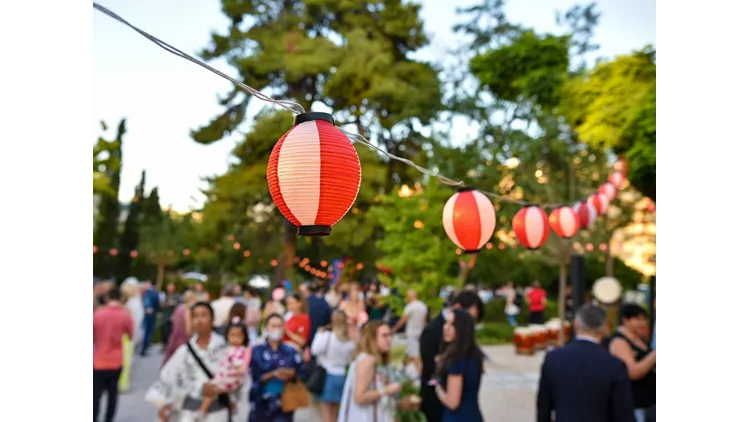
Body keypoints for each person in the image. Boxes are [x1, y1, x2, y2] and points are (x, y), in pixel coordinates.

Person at [537, 304, 635, 422]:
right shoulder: (614, 365)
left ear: (576, 324)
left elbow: (543, 408)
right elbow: (624, 414)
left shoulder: (553, 358)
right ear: (604, 327)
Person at [146, 302, 237, 422]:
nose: (199, 320)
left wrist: (224, 391)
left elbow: (238, 375)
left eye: (204, 315)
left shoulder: (224, 348)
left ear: (212, 319)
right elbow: (169, 376)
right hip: (189, 411)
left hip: (218, 410)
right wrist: (165, 405)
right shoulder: (184, 351)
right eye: (195, 316)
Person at [420, 290, 484, 422]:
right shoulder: (472, 354)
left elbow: (453, 402)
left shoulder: (458, 358)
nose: (446, 328)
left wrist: (437, 385)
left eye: (451, 325)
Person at [338, 321, 403, 422]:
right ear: (372, 339)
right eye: (384, 336)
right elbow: (359, 397)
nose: (389, 339)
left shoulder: (377, 361)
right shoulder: (368, 361)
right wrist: (387, 390)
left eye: (390, 335)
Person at [248, 313, 308, 422]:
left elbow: (302, 373)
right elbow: (253, 376)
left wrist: (291, 375)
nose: (276, 329)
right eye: (273, 326)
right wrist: (272, 375)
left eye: (279, 326)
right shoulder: (257, 350)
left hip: (285, 401)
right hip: (262, 402)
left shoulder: (291, 350)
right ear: (266, 328)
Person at [609, 304, 657, 422]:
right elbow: (633, 372)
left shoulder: (641, 339)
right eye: (638, 319)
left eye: (644, 319)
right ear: (625, 320)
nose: (643, 323)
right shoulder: (619, 341)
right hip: (634, 405)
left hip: (649, 405)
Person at [93, 287, 134, 422]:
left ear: (107, 298)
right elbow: (130, 335)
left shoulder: (98, 315)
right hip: (116, 360)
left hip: (98, 360)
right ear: (120, 298)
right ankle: (108, 419)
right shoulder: (125, 315)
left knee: (95, 395)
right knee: (112, 394)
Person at [200, 318, 251, 417]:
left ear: (244, 337)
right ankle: (232, 404)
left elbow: (239, 365)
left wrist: (240, 369)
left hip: (229, 378)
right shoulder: (230, 348)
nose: (235, 338)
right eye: (232, 335)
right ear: (227, 335)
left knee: (210, 392)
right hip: (228, 377)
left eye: (239, 336)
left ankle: (202, 411)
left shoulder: (238, 351)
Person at [311, 310, 355, 422]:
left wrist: (319, 335)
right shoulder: (349, 341)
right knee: (335, 413)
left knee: (326, 413)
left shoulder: (327, 336)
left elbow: (315, 350)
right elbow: (350, 359)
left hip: (327, 375)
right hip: (341, 376)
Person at [391, 289, 428, 374]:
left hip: (411, 332)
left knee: (414, 353)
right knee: (409, 352)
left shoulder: (410, 306)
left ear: (411, 297)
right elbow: (425, 320)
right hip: (420, 331)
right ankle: (403, 369)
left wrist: (395, 328)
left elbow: (403, 319)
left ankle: (421, 373)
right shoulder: (423, 306)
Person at [119, 278, 144, 393]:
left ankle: (122, 384)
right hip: (128, 336)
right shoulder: (135, 302)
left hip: (126, 336)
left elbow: (134, 322)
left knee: (125, 361)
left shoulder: (132, 304)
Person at [163, 290, 198, 366]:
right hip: (183, 340)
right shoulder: (187, 310)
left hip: (175, 338)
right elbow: (188, 329)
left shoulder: (179, 308)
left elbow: (172, 321)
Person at [141, 280, 162, 356]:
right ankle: (145, 347)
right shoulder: (154, 293)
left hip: (146, 313)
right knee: (149, 331)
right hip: (152, 313)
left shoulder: (145, 292)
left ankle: (144, 346)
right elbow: (157, 303)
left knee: (146, 330)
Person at [161, 282, 181, 352]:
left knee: (172, 332)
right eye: (169, 287)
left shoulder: (177, 296)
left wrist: (174, 303)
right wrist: (165, 303)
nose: (170, 288)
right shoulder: (164, 295)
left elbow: (180, 305)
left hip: (174, 317)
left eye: (171, 287)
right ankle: (165, 345)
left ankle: (171, 346)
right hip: (165, 316)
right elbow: (160, 306)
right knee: (164, 332)